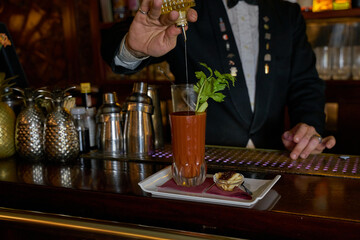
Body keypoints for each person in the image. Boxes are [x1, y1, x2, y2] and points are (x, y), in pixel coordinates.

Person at [101, 0, 336, 160]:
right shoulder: (185, 8)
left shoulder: (287, 13)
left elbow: (306, 84)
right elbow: (118, 39)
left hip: (274, 165)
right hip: (201, 167)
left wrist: (308, 127)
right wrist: (133, 48)